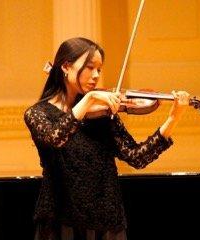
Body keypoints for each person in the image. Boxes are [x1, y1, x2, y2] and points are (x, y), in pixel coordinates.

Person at [24, 37, 189, 240]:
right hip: (60, 221)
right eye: (90, 67)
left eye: (99, 70)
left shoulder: (102, 114)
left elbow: (136, 157)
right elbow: (56, 138)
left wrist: (174, 117)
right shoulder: (38, 114)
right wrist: (88, 100)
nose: (96, 76)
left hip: (107, 220)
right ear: (66, 66)